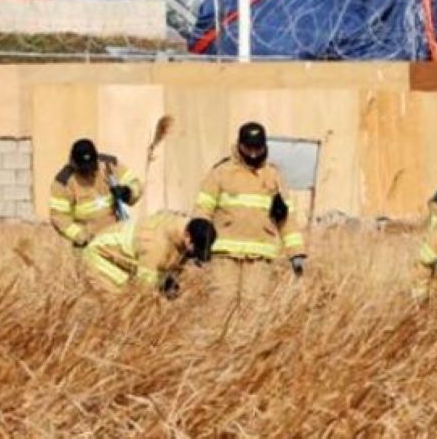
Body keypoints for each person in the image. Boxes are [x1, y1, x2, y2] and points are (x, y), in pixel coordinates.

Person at [193, 122, 306, 312]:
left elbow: (287, 219)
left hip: (259, 257)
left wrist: (296, 253)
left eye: (257, 149)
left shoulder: (273, 177)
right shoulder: (221, 173)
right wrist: (199, 241)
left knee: (254, 309)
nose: (253, 154)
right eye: (248, 149)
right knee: (221, 306)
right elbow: (202, 208)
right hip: (224, 255)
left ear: (264, 147)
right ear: (239, 145)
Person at [82, 212, 216, 296]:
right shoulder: (156, 245)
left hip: (125, 260)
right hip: (100, 256)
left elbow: (174, 261)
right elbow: (144, 291)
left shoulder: (184, 232)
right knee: (121, 301)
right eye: (195, 249)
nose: (194, 254)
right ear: (187, 236)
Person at [49, 138, 142, 249]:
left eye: (91, 166)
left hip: (116, 234)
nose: (89, 172)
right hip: (88, 242)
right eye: (84, 169)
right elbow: (60, 217)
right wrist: (81, 236)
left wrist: (127, 192)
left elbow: (135, 183)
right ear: (74, 164)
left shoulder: (109, 164)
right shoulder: (63, 182)